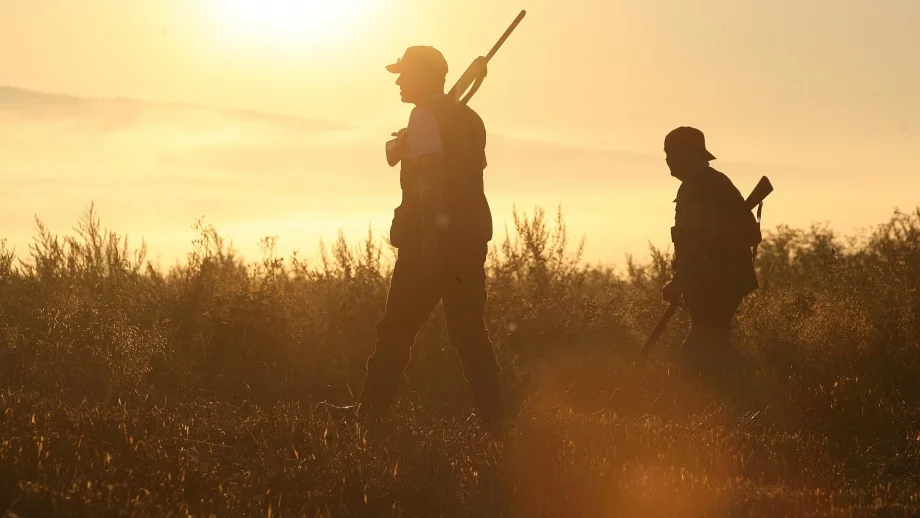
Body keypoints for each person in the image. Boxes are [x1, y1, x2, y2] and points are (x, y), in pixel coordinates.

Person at [356, 46, 502, 432]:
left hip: (428, 243)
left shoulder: (424, 116)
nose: (399, 81)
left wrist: (430, 242)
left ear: (425, 76)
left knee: (395, 332)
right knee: (470, 334)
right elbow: (465, 171)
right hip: (470, 240)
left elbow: (433, 176)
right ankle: (497, 419)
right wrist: (406, 141)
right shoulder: (469, 119)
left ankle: (370, 417)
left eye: (405, 73)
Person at [660, 127, 762, 375]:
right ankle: (748, 390)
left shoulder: (699, 186)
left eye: (670, 152)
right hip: (719, 278)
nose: (667, 160)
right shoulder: (709, 181)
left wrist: (679, 280)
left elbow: (699, 240)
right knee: (712, 344)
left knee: (701, 347)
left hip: (716, 280)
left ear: (687, 153)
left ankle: (751, 390)